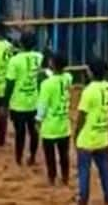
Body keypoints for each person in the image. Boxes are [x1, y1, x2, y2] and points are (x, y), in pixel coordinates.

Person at [75, 57, 108, 205]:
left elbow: (82, 116)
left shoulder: (89, 91)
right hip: (102, 135)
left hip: (87, 137)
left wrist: (77, 134)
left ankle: (83, 199)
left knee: (84, 171)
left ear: (91, 72)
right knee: (105, 170)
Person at [5, 32, 44, 165]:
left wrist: (6, 102)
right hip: (34, 100)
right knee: (33, 131)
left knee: (20, 133)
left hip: (18, 102)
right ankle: (32, 156)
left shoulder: (14, 60)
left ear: (20, 43)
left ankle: (18, 158)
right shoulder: (39, 57)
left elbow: (10, 83)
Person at [37, 53, 72, 186]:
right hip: (64, 124)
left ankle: (52, 178)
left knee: (50, 155)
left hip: (50, 126)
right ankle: (65, 178)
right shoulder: (68, 78)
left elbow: (42, 104)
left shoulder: (47, 84)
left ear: (52, 64)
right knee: (64, 155)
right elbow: (63, 76)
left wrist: (38, 119)